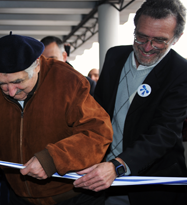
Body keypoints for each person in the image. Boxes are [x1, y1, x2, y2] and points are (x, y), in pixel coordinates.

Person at [0, 33, 113, 204]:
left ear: (36, 64)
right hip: (19, 198)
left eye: (18, 82)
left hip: (73, 197)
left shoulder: (68, 82)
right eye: (3, 84)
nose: (11, 92)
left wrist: (52, 159)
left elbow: (97, 132)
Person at [74, 0, 187, 204]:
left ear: (176, 38)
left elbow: (165, 132)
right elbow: (97, 112)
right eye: (141, 36)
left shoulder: (180, 72)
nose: (147, 47)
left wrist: (118, 165)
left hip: (149, 183)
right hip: (101, 175)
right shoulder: (114, 56)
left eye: (159, 41)